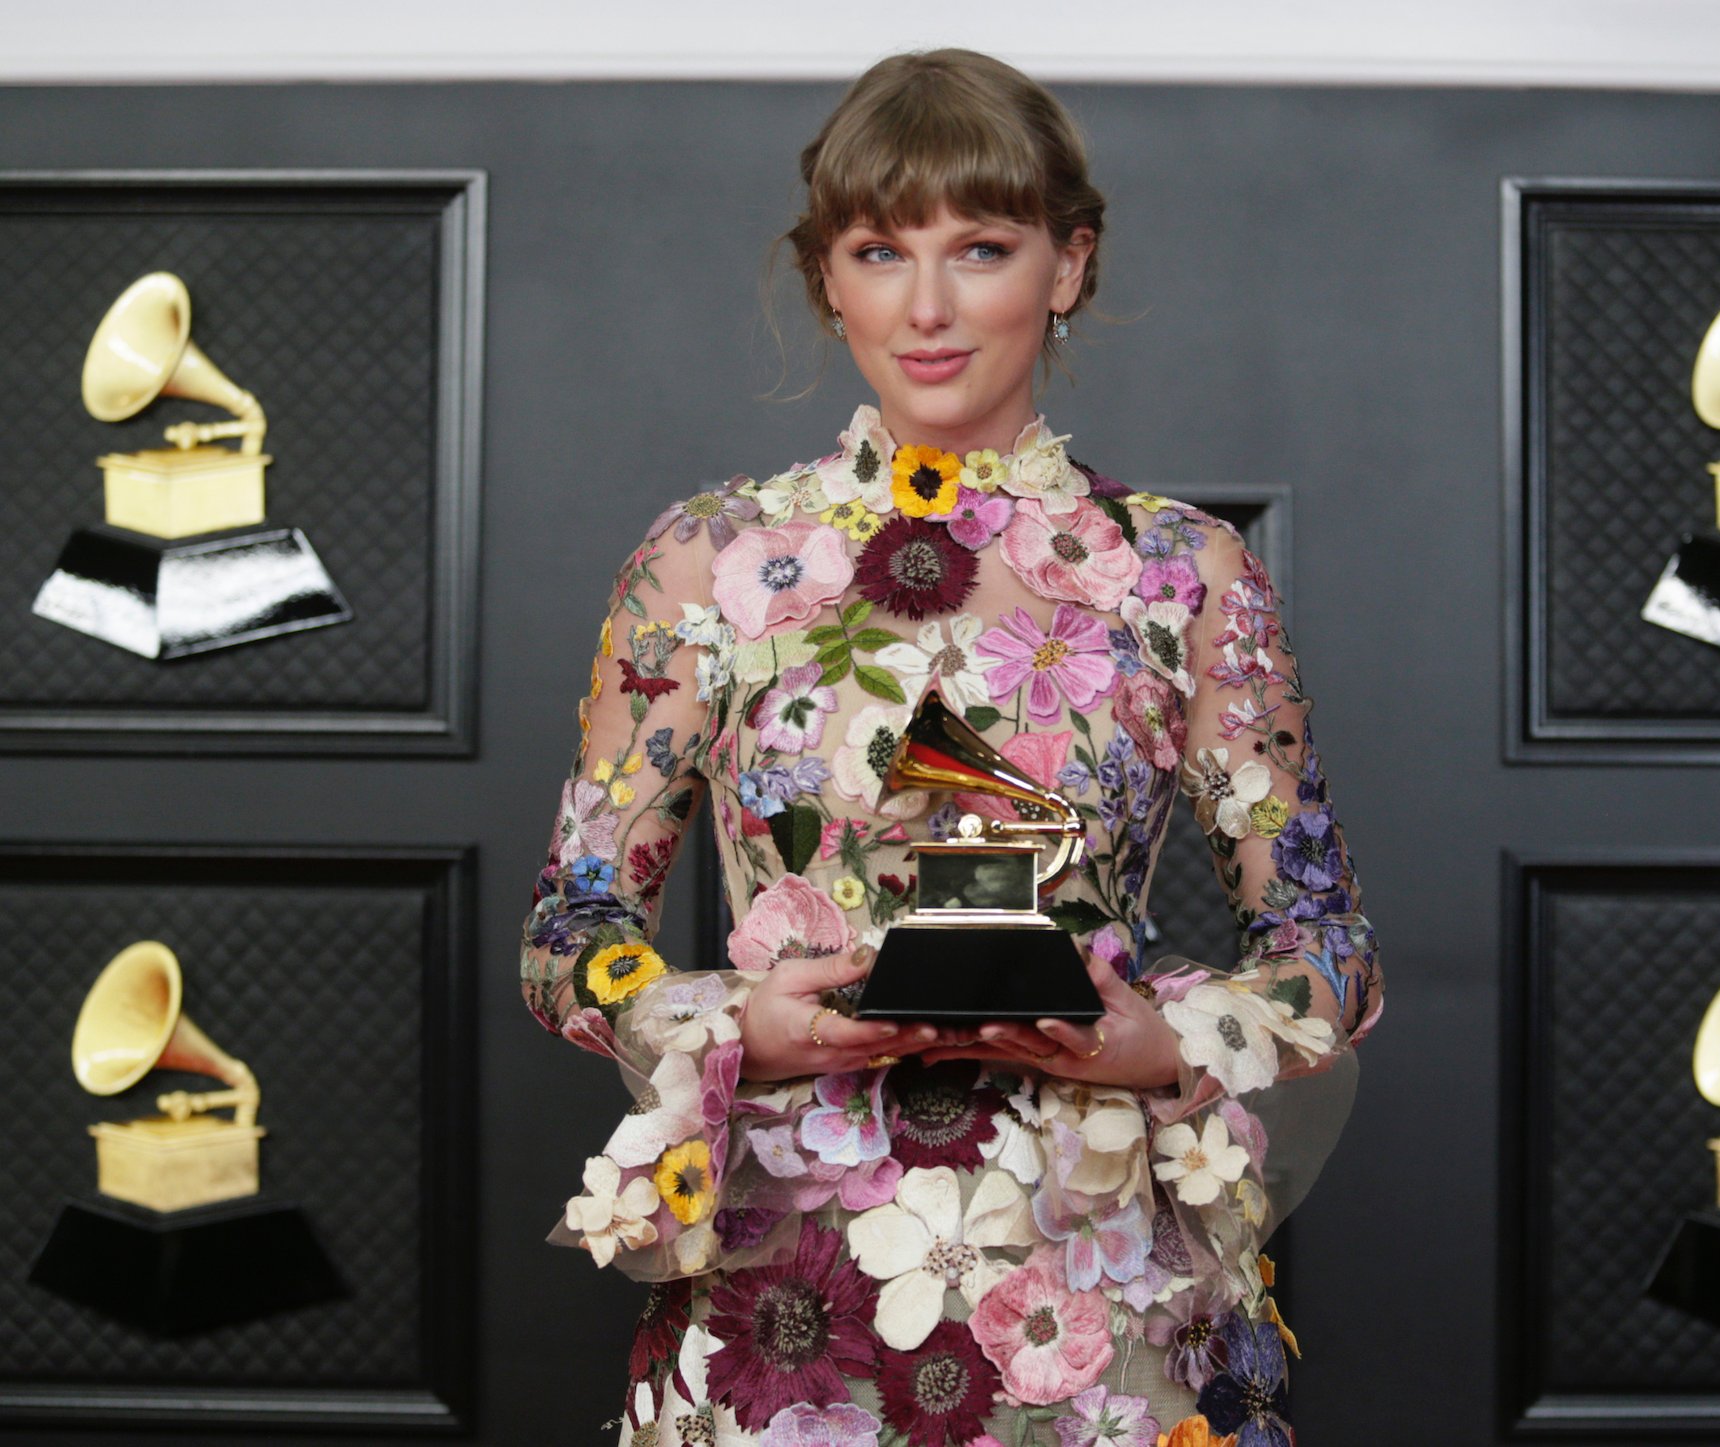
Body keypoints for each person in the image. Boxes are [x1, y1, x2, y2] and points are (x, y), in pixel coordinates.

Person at [519, 47, 1382, 1447]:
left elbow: (1329, 949)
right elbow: (574, 930)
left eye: (980, 248)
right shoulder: (709, 562)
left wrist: (1166, 1046)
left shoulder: (1187, 574)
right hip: (778, 1311)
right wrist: (739, 1027)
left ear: (1067, 266)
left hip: (1103, 1304)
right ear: (828, 280)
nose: (926, 307)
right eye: (878, 250)